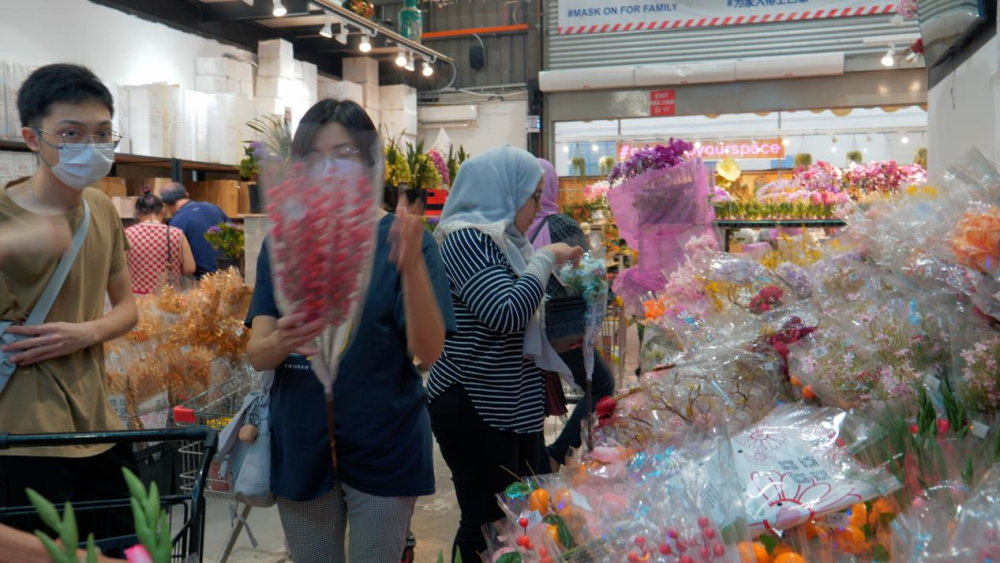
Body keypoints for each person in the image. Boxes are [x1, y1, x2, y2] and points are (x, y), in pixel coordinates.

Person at [245, 99, 456, 563]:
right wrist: (283, 339)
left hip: (386, 443)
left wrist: (411, 265)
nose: (329, 168)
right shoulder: (282, 244)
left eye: (343, 154)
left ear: (367, 161)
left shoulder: (402, 236)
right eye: (315, 157)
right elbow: (257, 353)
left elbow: (429, 351)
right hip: (301, 445)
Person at [0, 64, 139, 540]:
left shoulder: (99, 208)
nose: (90, 146)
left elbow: (128, 307)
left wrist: (87, 331)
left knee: (127, 547)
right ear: (32, 138)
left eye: (102, 133)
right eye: (71, 133)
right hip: (22, 434)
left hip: (98, 423)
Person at [428, 146, 584, 563]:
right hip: (473, 402)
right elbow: (506, 312)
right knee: (486, 521)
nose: (537, 208)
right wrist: (546, 258)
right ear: (504, 191)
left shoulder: (503, 242)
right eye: (533, 196)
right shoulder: (464, 239)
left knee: (519, 516)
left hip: (508, 401)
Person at [530, 158, 616, 470]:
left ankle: (539, 462)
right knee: (603, 388)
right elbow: (586, 277)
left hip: (530, 326)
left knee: (534, 399)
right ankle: (557, 453)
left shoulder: (516, 225)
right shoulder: (560, 225)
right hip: (564, 327)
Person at [124, 188, 196, 294]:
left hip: (137, 296)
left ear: (137, 213)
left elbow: (119, 268)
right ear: (162, 211)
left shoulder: (127, 234)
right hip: (167, 297)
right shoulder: (177, 234)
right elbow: (189, 268)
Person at [160, 182, 229, 279]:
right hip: (228, 276)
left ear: (165, 205)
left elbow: (177, 261)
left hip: (201, 280)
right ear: (187, 195)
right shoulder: (214, 208)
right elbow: (233, 234)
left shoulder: (175, 224)